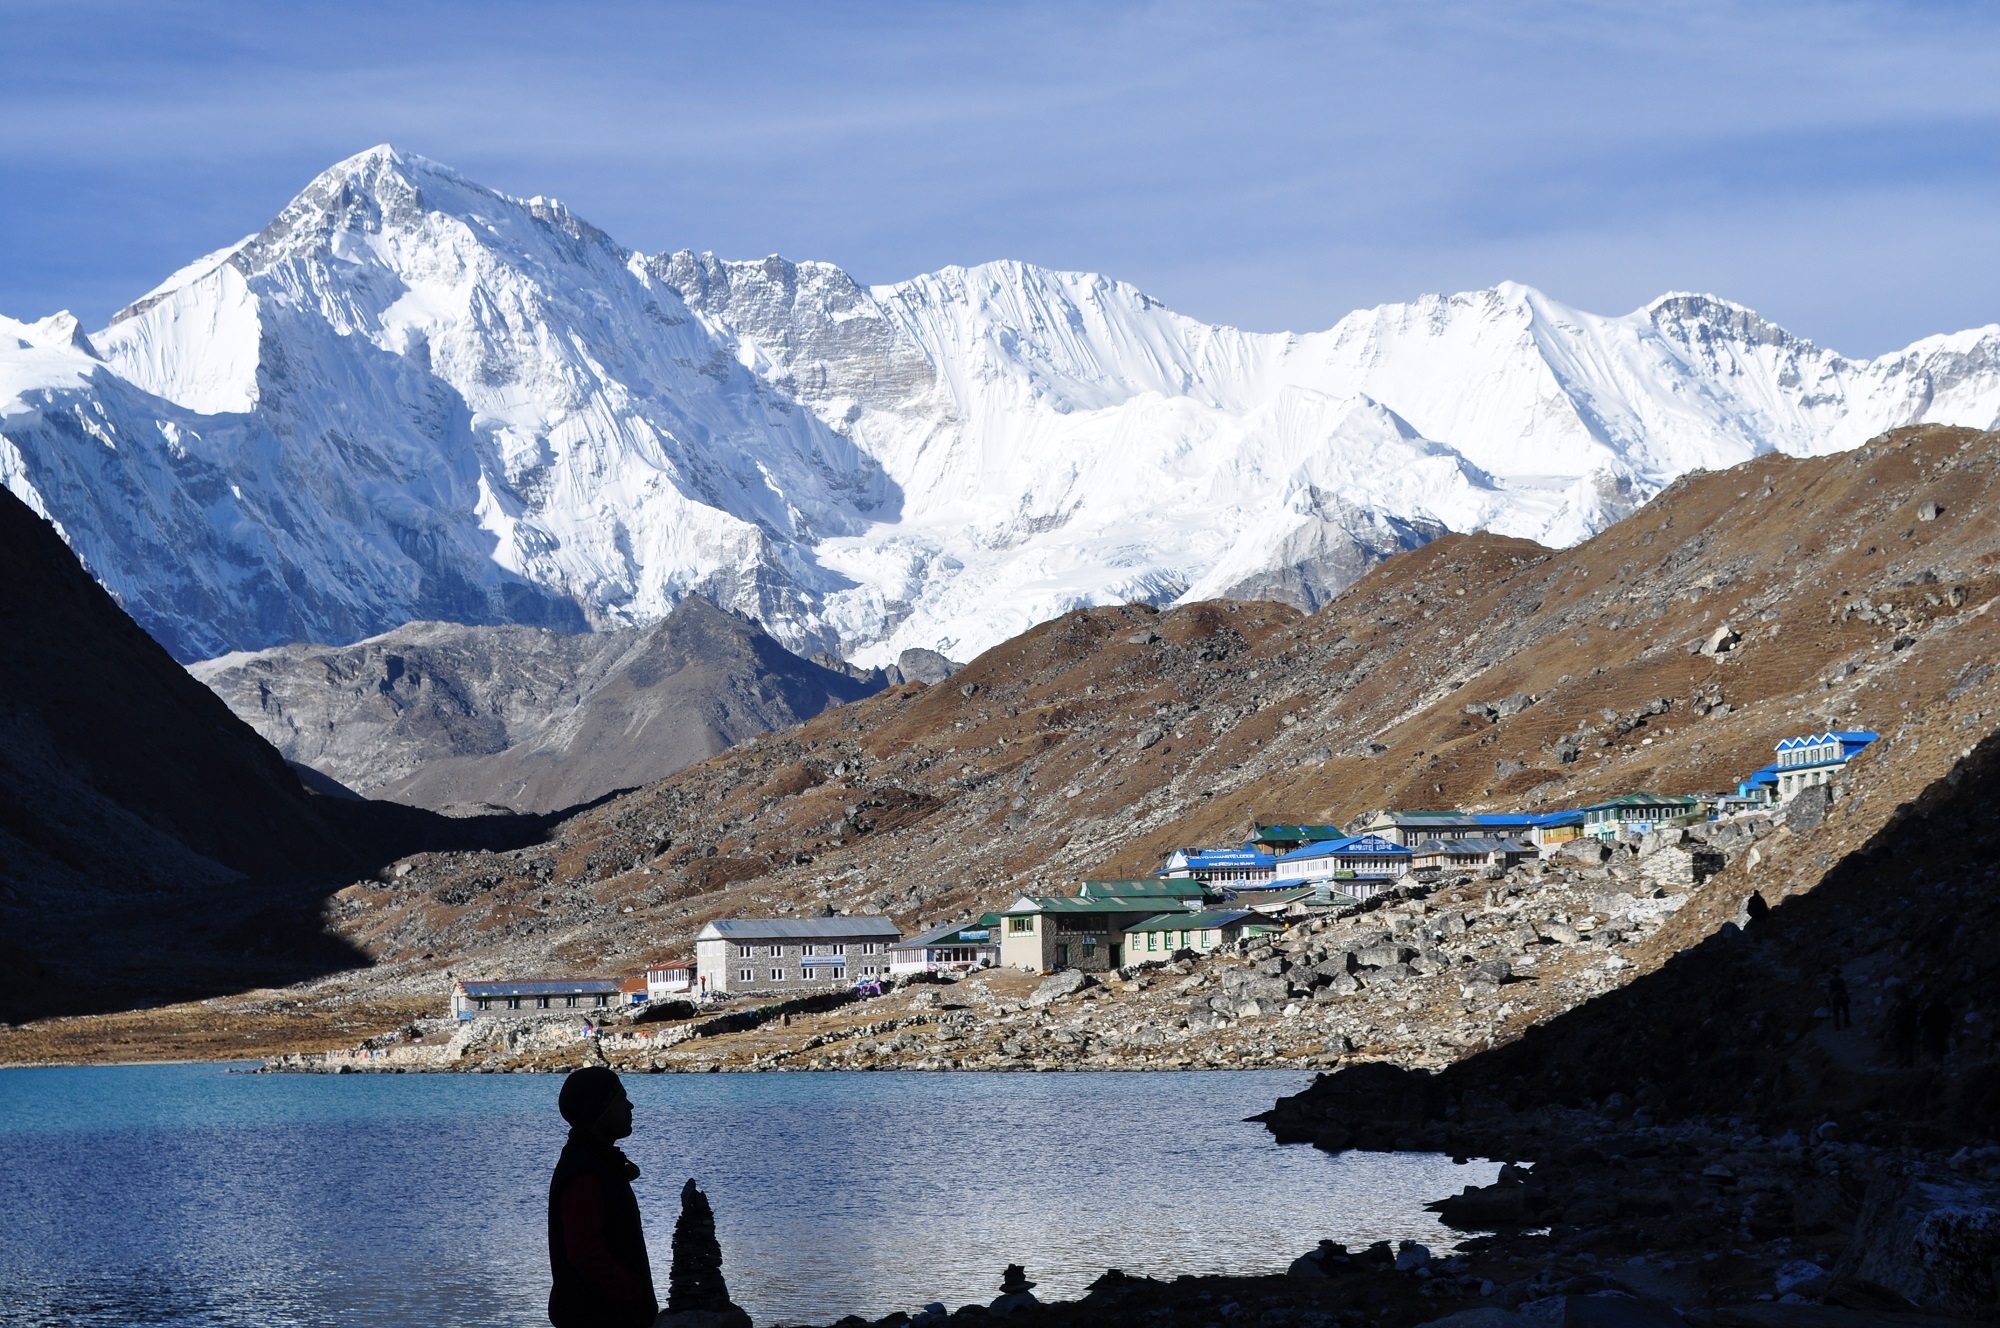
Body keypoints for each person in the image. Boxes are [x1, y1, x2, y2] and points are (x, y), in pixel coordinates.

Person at [548, 1067, 658, 1328]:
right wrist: (633, 1291)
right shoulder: (585, 1171)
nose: (630, 1106)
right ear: (600, 1111)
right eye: (621, 1099)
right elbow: (586, 1255)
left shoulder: (595, 1161)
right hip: (601, 1316)